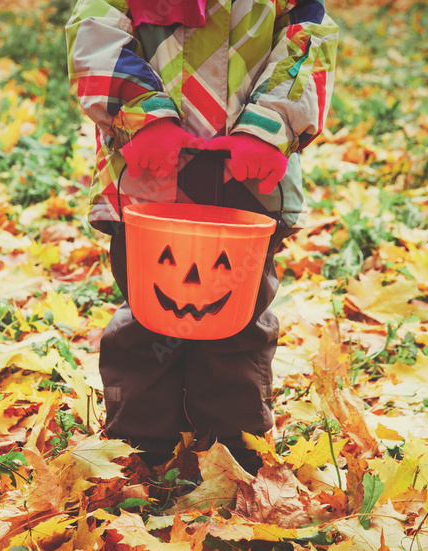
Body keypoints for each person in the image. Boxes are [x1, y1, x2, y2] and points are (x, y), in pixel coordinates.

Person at [67, 0, 338, 473]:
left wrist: (268, 127)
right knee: (150, 310)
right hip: (150, 177)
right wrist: (142, 115)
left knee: (237, 318)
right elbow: (94, 34)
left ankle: (233, 449)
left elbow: (307, 44)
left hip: (248, 180)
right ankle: (140, 444)